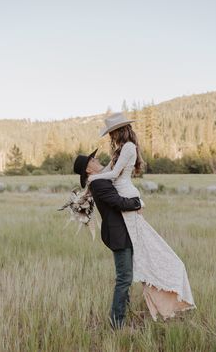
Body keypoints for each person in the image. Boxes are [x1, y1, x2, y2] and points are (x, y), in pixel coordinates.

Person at [88, 112, 196, 321]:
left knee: (150, 253)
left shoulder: (128, 147)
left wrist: (93, 179)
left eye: (112, 132)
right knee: (137, 262)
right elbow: (109, 171)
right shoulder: (120, 150)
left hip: (128, 197)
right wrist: (92, 180)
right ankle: (132, 308)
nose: (111, 137)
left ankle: (168, 286)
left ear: (119, 130)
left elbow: (112, 174)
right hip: (125, 201)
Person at [73, 149, 143, 329]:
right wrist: (138, 202)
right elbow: (119, 202)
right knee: (124, 278)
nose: (97, 160)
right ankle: (117, 324)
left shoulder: (101, 180)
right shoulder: (99, 184)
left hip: (122, 231)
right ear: (88, 170)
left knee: (126, 276)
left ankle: (123, 316)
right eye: (92, 159)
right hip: (118, 234)